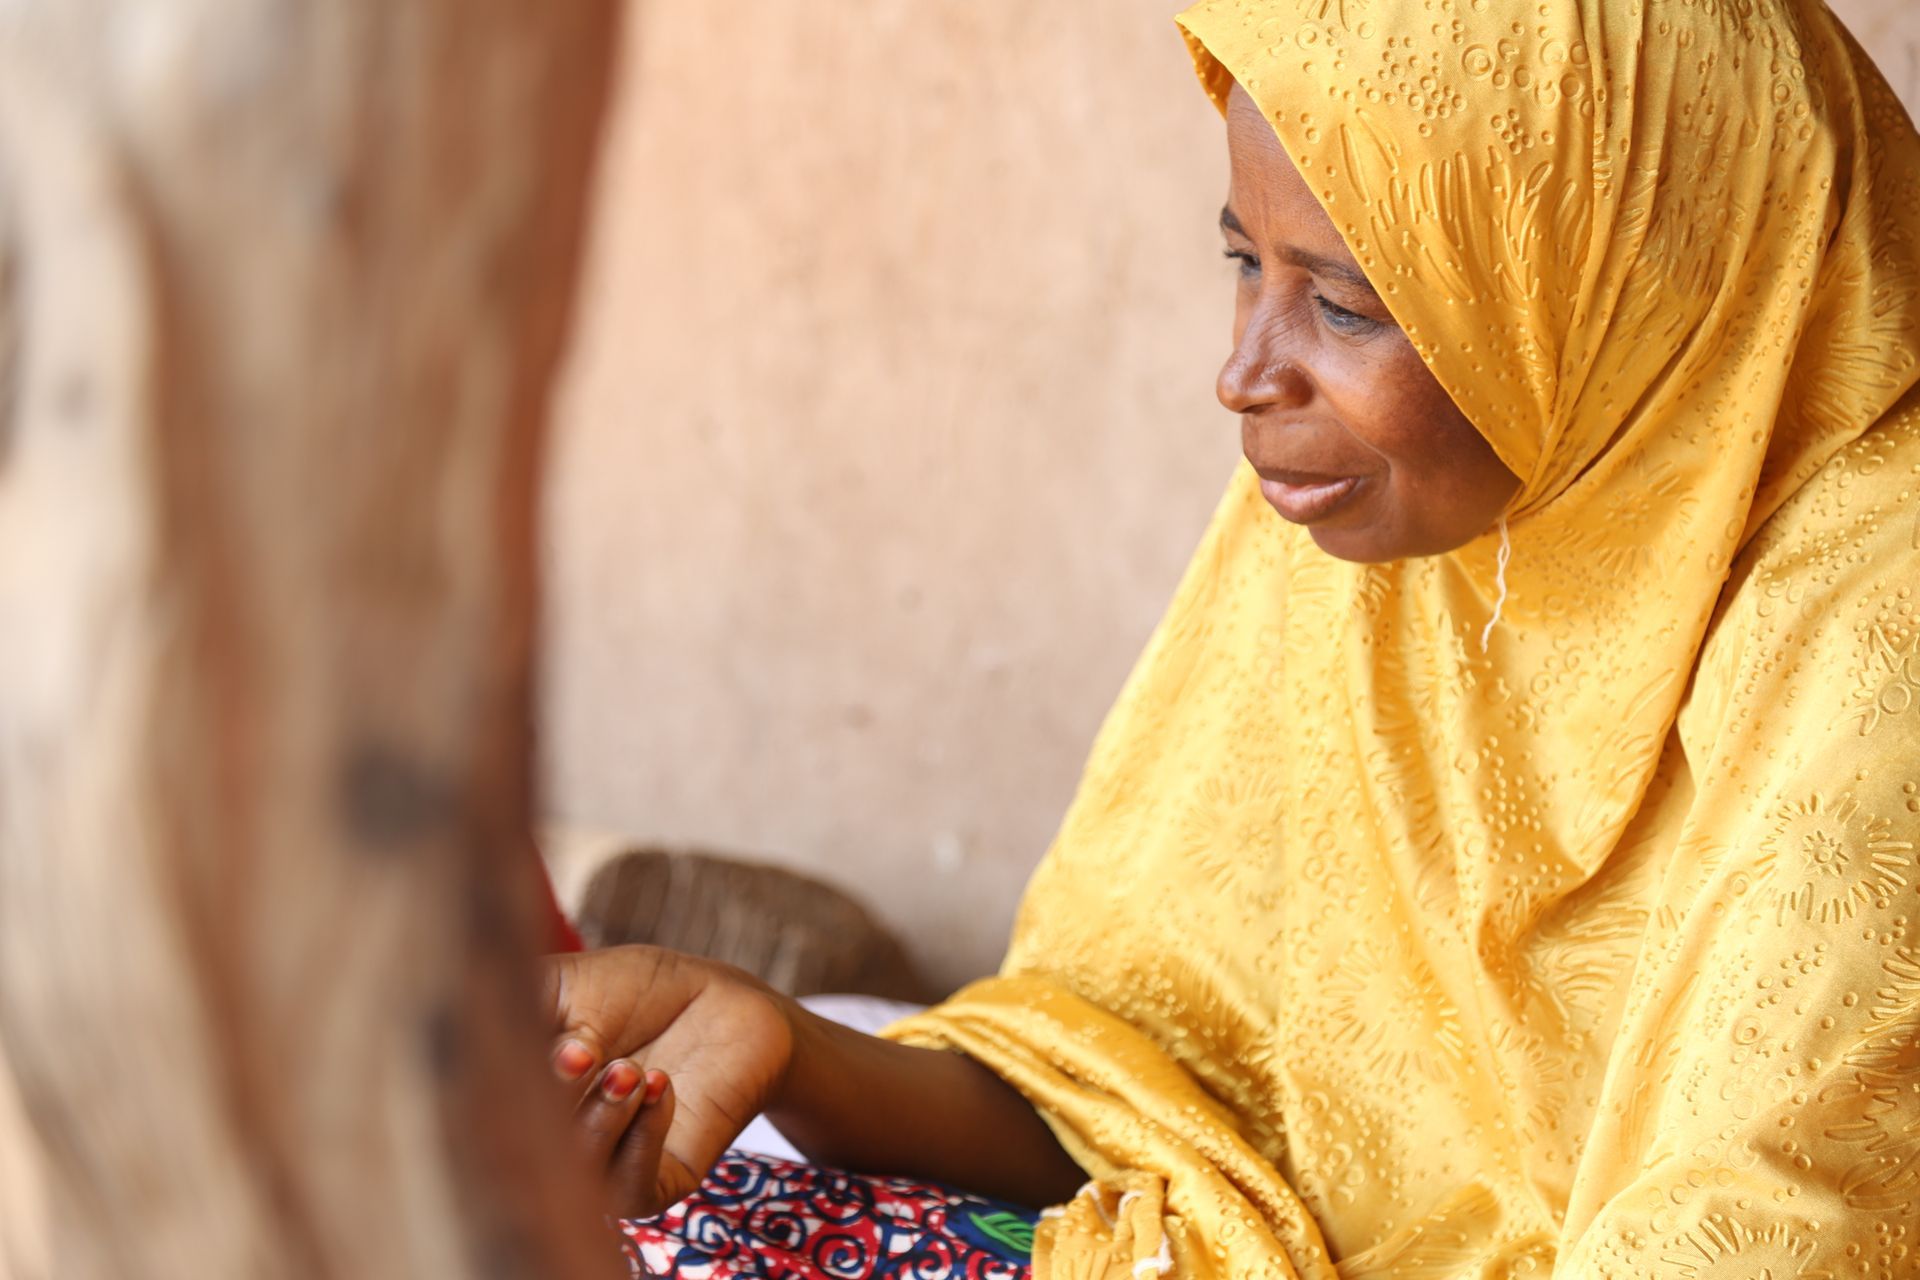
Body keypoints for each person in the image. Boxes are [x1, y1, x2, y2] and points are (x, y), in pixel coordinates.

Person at [547, 1, 1920, 1275]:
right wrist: (786, 1047)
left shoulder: (1877, 616)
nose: (1244, 374)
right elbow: (1149, 1092)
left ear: (1623, 283)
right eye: (1242, 263)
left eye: (1343, 305)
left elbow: (1780, 1228)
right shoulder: (1396, 518)